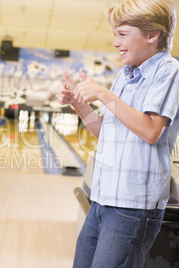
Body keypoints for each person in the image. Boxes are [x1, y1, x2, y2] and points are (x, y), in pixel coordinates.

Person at [56, 0, 179, 267]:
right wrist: (78, 101)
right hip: (102, 198)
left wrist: (102, 93)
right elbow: (105, 132)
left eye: (122, 34)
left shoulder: (169, 71)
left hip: (133, 207)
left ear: (151, 35)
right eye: (115, 34)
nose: (115, 42)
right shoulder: (125, 75)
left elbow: (150, 131)